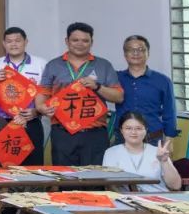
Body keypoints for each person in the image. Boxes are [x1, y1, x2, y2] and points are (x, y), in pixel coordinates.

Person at [36, 22, 124, 166]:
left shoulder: (104, 65)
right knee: (65, 177)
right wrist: (41, 107)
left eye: (85, 40)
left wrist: (97, 87)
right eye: (75, 40)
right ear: (67, 41)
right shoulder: (53, 65)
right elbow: (43, 93)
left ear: (91, 42)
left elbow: (119, 97)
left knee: (95, 177)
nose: (80, 44)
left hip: (94, 132)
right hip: (62, 132)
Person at [0, 27, 47, 166]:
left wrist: (36, 111)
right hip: (2, 122)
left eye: (18, 40)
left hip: (30, 121)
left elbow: (48, 94)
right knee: (3, 166)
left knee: (33, 165)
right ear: (3, 44)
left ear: (26, 42)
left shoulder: (41, 64)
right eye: (9, 41)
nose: (14, 44)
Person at [114, 35, 177, 145]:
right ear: (125, 54)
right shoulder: (115, 78)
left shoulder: (163, 81)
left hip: (152, 139)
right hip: (122, 139)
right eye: (131, 50)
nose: (136, 53)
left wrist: (169, 140)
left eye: (141, 49)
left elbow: (170, 112)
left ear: (148, 53)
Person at [103, 112, 180, 192]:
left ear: (146, 130)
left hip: (157, 196)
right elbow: (108, 186)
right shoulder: (111, 153)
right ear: (121, 130)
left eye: (138, 128)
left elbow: (176, 186)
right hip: (126, 198)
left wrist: (164, 162)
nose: (133, 132)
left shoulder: (158, 152)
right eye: (128, 128)